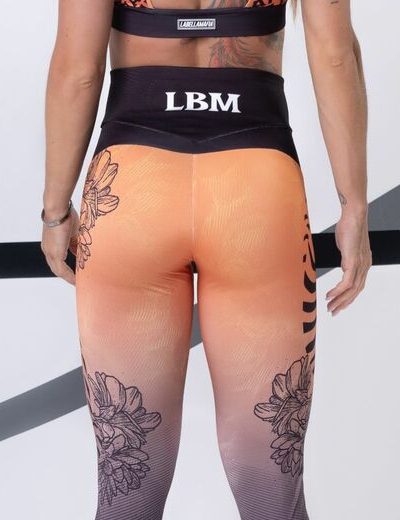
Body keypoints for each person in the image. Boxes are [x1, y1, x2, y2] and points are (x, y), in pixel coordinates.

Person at [40, 1, 372, 518]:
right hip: (256, 190)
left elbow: (77, 71)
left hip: (131, 192)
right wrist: (353, 205)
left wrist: (56, 211)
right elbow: (334, 54)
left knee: (127, 493)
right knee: (273, 498)